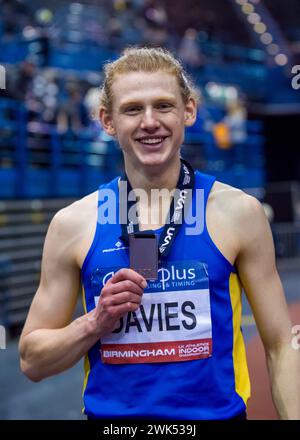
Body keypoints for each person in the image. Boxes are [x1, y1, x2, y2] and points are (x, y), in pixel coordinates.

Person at [19, 47, 300, 420]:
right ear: (107, 121)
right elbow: (32, 361)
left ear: (189, 111)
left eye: (164, 106)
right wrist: (95, 322)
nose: (150, 122)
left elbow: (281, 346)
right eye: (133, 109)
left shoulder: (239, 213)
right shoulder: (73, 224)